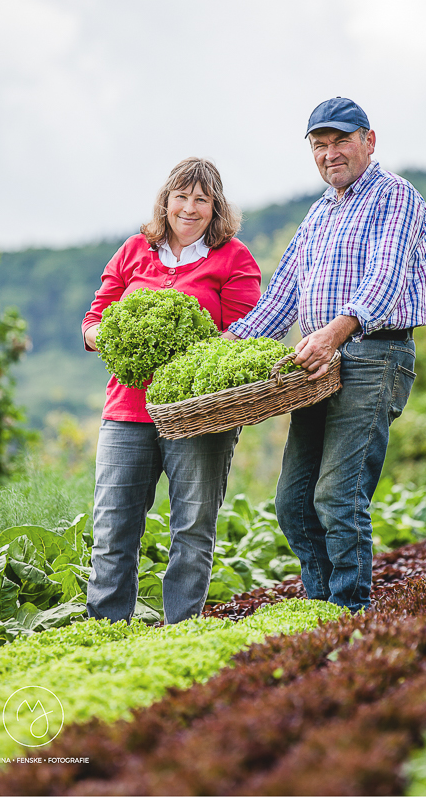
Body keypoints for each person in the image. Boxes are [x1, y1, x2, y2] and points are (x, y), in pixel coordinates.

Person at [224, 97, 426, 613]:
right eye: (320, 145)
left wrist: (333, 334)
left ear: (369, 141)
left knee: (338, 497)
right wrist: (223, 351)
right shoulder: (318, 214)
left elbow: (386, 278)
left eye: (341, 141)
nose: (330, 153)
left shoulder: (396, 197)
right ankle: (321, 607)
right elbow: (280, 299)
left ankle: (349, 614)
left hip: (372, 356)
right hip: (317, 365)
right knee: (293, 504)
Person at [82, 157, 261, 624]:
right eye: (181, 196)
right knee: (112, 529)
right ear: (166, 201)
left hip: (197, 414)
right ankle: (105, 628)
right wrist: (114, 336)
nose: (189, 207)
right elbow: (93, 320)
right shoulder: (134, 250)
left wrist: (189, 353)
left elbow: (243, 335)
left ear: (215, 208)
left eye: (201, 199)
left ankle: (179, 630)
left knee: (193, 528)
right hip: (127, 411)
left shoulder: (234, 258)